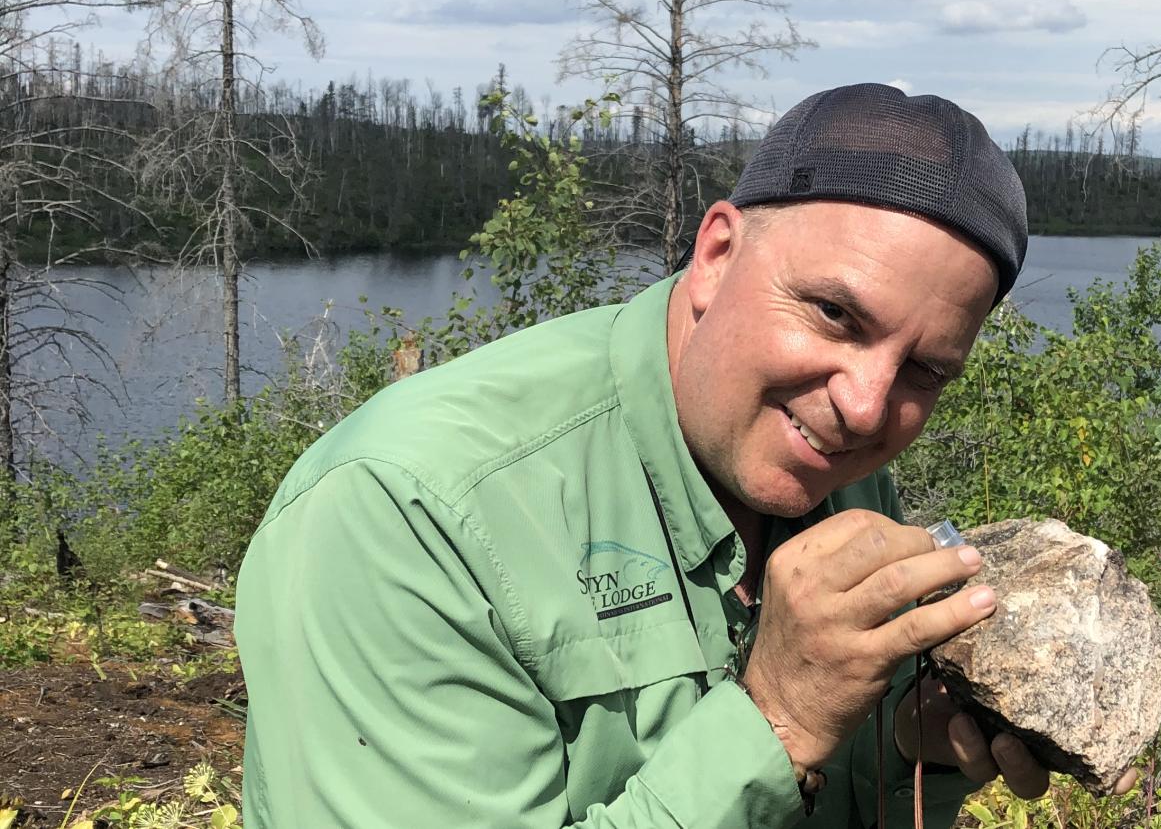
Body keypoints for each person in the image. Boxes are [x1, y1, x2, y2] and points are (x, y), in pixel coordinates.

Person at [236, 83, 1100, 827]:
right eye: (836, 315)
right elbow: (780, 734)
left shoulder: (834, 463)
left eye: (925, 368)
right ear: (717, 255)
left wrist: (903, 747)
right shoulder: (409, 508)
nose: (865, 405)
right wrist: (779, 722)